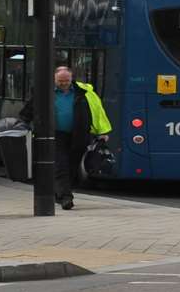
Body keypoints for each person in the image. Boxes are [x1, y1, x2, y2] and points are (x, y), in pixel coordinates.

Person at [18, 65, 111, 211]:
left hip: (78, 135)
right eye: (60, 81)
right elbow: (29, 109)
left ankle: (59, 193)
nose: (63, 83)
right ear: (54, 79)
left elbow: (97, 111)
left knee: (72, 167)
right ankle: (66, 198)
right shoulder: (45, 92)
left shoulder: (84, 92)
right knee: (60, 165)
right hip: (55, 134)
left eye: (66, 80)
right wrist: (23, 122)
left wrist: (102, 131)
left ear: (71, 78)